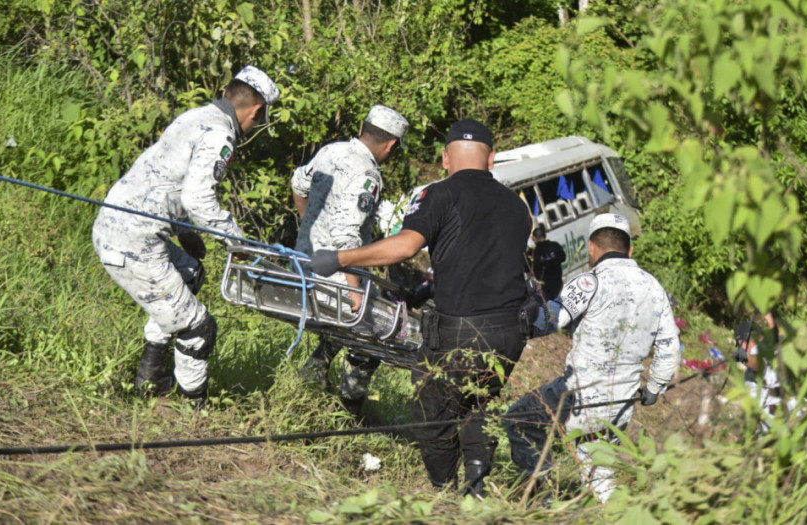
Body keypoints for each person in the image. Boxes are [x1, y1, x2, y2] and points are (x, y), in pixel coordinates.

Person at [307, 118, 533, 497]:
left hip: (461, 328)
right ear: (491, 159)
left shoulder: (439, 194)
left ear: (445, 159)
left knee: (433, 414)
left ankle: (443, 494)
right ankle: (476, 494)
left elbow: (406, 246)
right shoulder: (518, 207)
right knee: (479, 401)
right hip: (511, 330)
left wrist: (342, 258)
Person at [92, 66, 280, 406]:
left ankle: (150, 377)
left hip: (115, 226)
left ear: (226, 92)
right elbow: (198, 198)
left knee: (190, 272)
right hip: (135, 242)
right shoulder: (221, 134)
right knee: (200, 327)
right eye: (261, 118)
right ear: (256, 111)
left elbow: (167, 181)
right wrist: (237, 242)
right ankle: (193, 405)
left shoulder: (193, 117)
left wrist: (187, 232)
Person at [505, 213, 681, 503]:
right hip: (623, 399)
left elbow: (552, 318)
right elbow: (669, 346)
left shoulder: (590, 282)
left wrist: (521, 321)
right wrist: (654, 388)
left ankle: (546, 497)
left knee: (520, 419)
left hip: (579, 396)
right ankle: (594, 509)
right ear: (630, 249)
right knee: (599, 471)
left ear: (591, 247)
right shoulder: (654, 288)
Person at [291, 105, 409, 414]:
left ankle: (315, 371)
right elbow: (347, 237)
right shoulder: (367, 174)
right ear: (392, 145)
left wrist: (308, 229)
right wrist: (355, 290)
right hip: (335, 275)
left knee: (355, 317)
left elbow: (298, 184)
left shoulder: (332, 151)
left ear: (363, 128)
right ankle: (350, 406)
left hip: (304, 262)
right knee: (378, 331)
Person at [529, 224, 566, 300]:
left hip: (542, 288)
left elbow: (527, 267)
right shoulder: (555, 246)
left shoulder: (533, 252)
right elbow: (563, 258)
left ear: (534, 238)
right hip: (558, 284)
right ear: (544, 235)